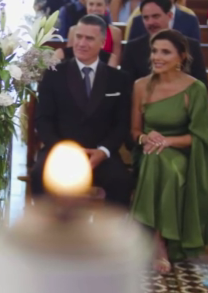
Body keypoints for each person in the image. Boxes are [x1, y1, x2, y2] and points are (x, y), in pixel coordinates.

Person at [130, 29, 208, 273]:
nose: (157, 57)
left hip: (184, 153)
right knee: (155, 158)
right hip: (147, 151)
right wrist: (146, 137)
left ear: (181, 56)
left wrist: (167, 141)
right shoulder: (140, 86)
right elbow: (134, 131)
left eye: (165, 52)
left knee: (166, 164)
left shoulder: (195, 89)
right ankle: (159, 241)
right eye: (154, 51)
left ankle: (157, 243)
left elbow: (199, 137)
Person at [31, 15, 133, 207]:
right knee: (39, 174)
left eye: (89, 38)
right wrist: (63, 150)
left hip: (99, 153)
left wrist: (103, 151)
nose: (81, 43)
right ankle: (45, 226)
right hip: (59, 150)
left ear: (102, 43)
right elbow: (43, 120)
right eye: (79, 37)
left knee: (121, 181)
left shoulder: (118, 79)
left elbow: (121, 124)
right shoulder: (53, 74)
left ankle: (110, 228)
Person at [120, 0, 208, 88]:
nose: (150, 22)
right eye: (146, 18)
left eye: (156, 16)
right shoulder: (133, 48)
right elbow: (126, 86)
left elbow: (202, 85)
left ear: (170, 16)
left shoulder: (191, 46)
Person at [61, 0, 122, 67]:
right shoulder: (73, 30)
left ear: (106, 6)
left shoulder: (115, 33)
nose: (94, 8)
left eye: (99, 5)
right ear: (86, 5)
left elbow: (115, 64)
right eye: (91, 4)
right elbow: (70, 58)